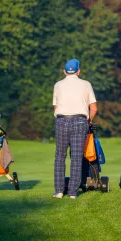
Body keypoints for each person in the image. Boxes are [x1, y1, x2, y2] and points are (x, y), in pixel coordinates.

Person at [53, 59, 97, 199]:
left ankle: (59, 191)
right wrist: (88, 121)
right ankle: (73, 192)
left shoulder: (58, 85)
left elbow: (55, 107)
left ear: (64, 71)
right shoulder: (86, 84)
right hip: (80, 121)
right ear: (79, 71)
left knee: (60, 156)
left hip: (61, 120)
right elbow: (94, 108)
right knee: (77, 157)